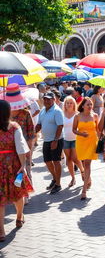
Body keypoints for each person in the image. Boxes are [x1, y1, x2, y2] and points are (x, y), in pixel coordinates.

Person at [0, 100, 33, 241]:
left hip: (3, 164)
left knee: (3, 198)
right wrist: (23, 164)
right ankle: (18, 217)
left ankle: (2, 230)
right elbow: (20, 147)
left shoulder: (14, 127)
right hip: (13, 163)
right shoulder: (14, 127)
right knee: (17, 193)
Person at [36, 91, 64, 194]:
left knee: (56, 161)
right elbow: (39, 124)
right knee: (47, 161)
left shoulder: (57, 111)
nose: (46, 101)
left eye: (49, 99)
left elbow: (60, 126)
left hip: (56, 140)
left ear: (53, 99)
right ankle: (55, 178)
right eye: (45, 99)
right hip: (46, 140)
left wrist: (55, 140)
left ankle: (58, 184)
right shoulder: (43, 110)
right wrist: (32, 132)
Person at [73, 97, 99, 200]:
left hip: (92, 141)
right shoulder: (77, 116)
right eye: (88, 104)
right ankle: (88, 178)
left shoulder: (95, 116)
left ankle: (84, 190)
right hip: (81, 141)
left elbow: (98, 130)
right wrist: (81, 133)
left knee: (87, 163)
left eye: (91, 104)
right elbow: (74, 130)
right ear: (82, 105)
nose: (90, 106)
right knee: (84, 163)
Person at [63, 96, 84, 187]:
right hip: (65, 139)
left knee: (75, 158)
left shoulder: (77, 114)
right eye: (67, 103)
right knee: (68, 159)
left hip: (76, 139)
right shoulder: (62, 113)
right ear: (65, 104)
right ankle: (73, 178)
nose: (69, 104)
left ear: (74, 104)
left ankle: (82, 171)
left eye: (71, 102)